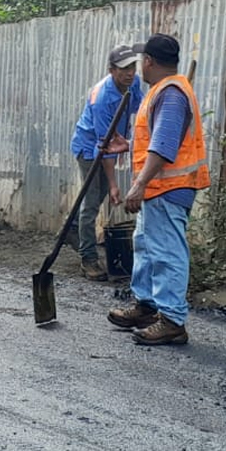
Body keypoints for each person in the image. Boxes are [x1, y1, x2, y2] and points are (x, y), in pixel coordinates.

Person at [107, 33, 210, 346]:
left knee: (166, 252)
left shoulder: (171, 94)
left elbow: (165, 146)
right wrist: (130, 144)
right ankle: (147, 306)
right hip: (160, 187)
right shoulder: (164, 92)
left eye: (141, 62)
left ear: (149, 62)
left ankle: (172, 320)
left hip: (168, 187)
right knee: (147, 247)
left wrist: (138, 185)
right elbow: (158, 138)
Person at [70, 43, 145, 281]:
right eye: (123, 68)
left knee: (98, 196)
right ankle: (88, 258)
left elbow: (141, 110)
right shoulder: (102, 99)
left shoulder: (133, 83)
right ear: (111, 69)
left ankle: (76, 231)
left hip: (109, 144)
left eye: (133, 66)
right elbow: (106, 145)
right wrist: (114, 184)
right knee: (92, 202)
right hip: (89, 148)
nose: (130, 72)